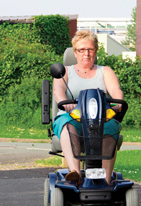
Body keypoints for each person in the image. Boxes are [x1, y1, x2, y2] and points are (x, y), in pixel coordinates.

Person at [52, 30, 124, 185]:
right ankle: (75, 173)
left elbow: (116, 90)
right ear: (75, 52)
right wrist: (66, 103)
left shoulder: (105, 71)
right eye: (81, 50)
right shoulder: (65, 72)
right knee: (67, 125)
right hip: (71, 116)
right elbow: (58, 91)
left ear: (95, 51)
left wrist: (118, 102)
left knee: (111, 125)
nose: (86, 54)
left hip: (100, 118)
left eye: (90, 49)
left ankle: (106, 179)